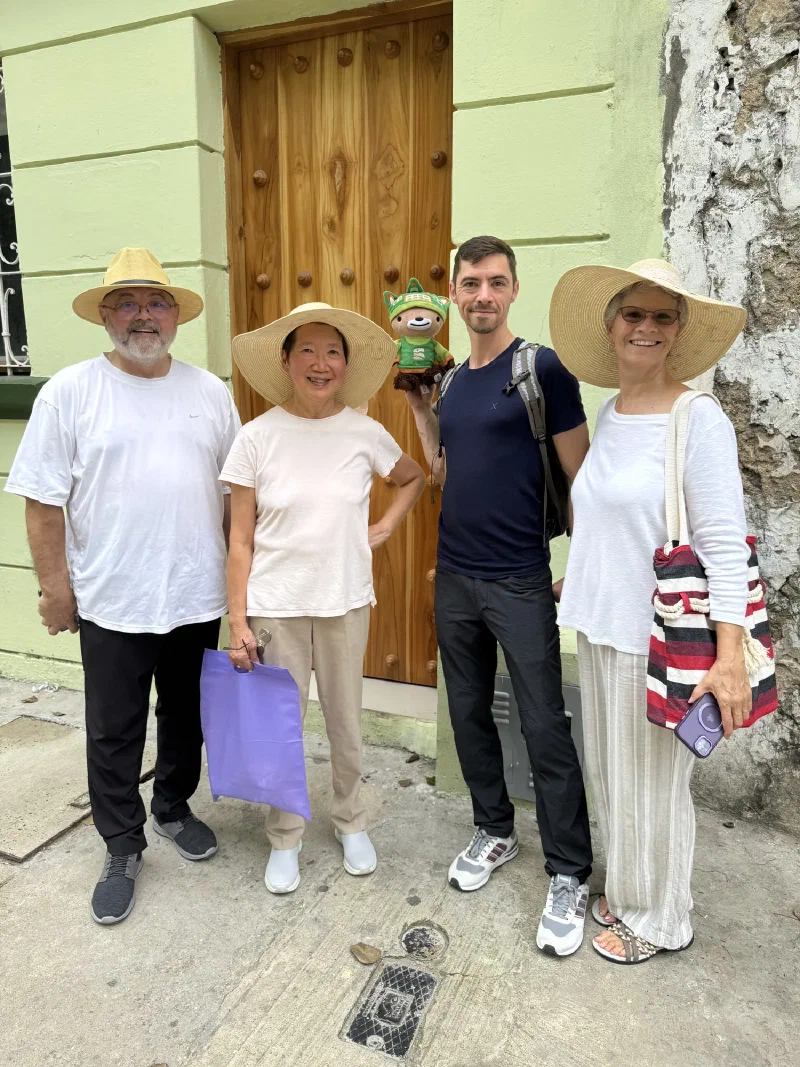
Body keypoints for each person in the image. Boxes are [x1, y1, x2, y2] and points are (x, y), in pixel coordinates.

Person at [4, 248, 241, 924]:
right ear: (106, 314)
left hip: (195, 591)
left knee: (184, 715)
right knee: (114, 728)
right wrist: (55, 588)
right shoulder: (71, 392)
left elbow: (235, 498)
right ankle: (120, 842)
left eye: (156, 302)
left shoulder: (208, 391)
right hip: (112, 595)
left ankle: (171, 805)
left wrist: (243, 585)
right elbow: (42, 501)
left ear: (175, 316)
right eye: (129, 303)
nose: (144, 315)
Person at [551, 258, 750, 963]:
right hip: (605, 624)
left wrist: (730, 661)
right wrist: (577, 581)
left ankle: (663, 918)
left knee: (656, 786)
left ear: (678, 331)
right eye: (633, 314)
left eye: (663, 316)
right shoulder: (613, 411)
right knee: (614, 774)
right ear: (611, 327)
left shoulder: (698, 419)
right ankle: (632, 890)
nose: (646, 327)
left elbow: (726, 545)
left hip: (662, 637)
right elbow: (612, 519)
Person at [405, 235, 593, 957]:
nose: (482, 295)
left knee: (545, 723)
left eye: (495, 282)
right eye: (470, 283)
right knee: (466, 710)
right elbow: (445, 471)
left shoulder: (539, 368)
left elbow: (582, 479)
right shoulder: (451, 381)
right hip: (455, 574)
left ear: (513, 289)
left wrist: (586, 565)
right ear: (454, 293)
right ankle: (493, 831)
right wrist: (424, 408)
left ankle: (570, 869)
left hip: (520, 577)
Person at [221, 302, 425, 894]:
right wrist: (239, 621)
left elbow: (411, 477)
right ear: (285, 361)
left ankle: (350, 820)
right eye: (306, 350)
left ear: (345, 365)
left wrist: (384, 527)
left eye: (332, 352)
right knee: (278, 726)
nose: (320, 363)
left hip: (344, 602)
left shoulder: (364, 431)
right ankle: (284, 835)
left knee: (345, 721)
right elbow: (239, 538)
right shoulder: (256, 438)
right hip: (275, 606)